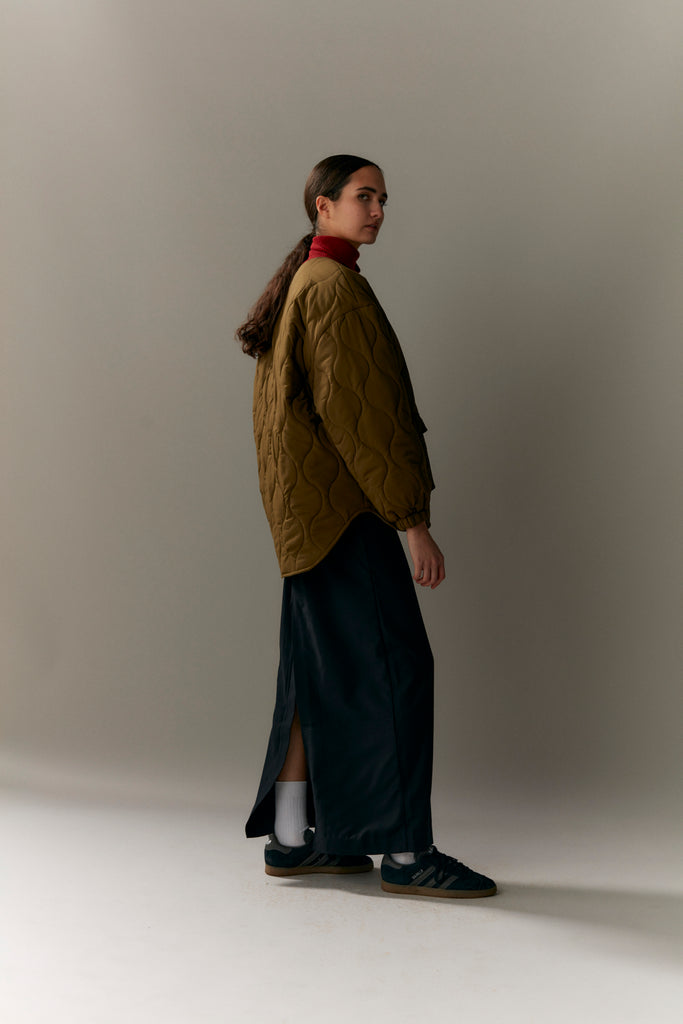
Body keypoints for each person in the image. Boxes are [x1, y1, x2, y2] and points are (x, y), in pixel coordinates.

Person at [236, 154, 496, 898]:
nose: (378, 210)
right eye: (363, 196)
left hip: (308, 520)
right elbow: (367, 420)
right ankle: (408, 854)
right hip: (346, 515)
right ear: (322, 206)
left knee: (314, 677)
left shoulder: (305, 282)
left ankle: (293, 841)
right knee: (395, 673)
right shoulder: (334, 289)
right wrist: (411, 521)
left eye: (383, 198)